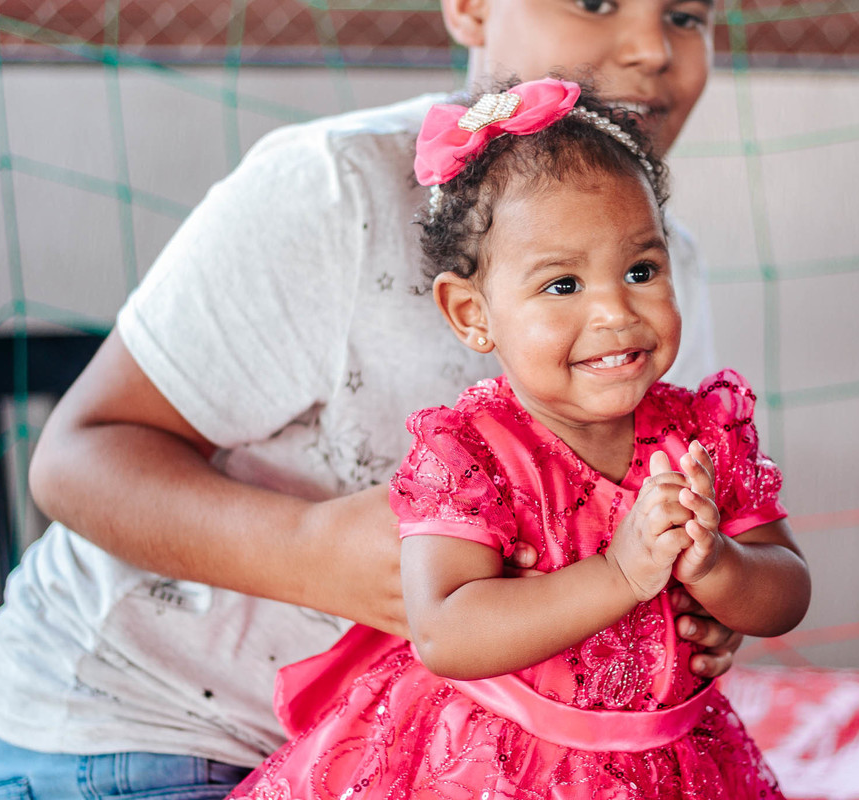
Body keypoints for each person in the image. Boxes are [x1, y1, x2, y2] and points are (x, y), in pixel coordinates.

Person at [0, 2, 745, 798]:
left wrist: (689, 595)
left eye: (688, 14)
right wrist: (312, 549)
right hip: (155, 719)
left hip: (434, 744)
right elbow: (74, 462)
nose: (654, 47)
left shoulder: (660, 273)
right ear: (470, 8)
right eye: (595, 1)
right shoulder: (337, 189)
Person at [225, 78, 810, 800]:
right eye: (563, 286)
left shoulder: (700, 433)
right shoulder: (469, 455)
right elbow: (446, 633)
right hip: (495, 766)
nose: (616, 313)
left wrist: (719, 566)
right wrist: (622, 575)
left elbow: (787, 588)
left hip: (673, 762)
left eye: (640, 270)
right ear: (472, 314)